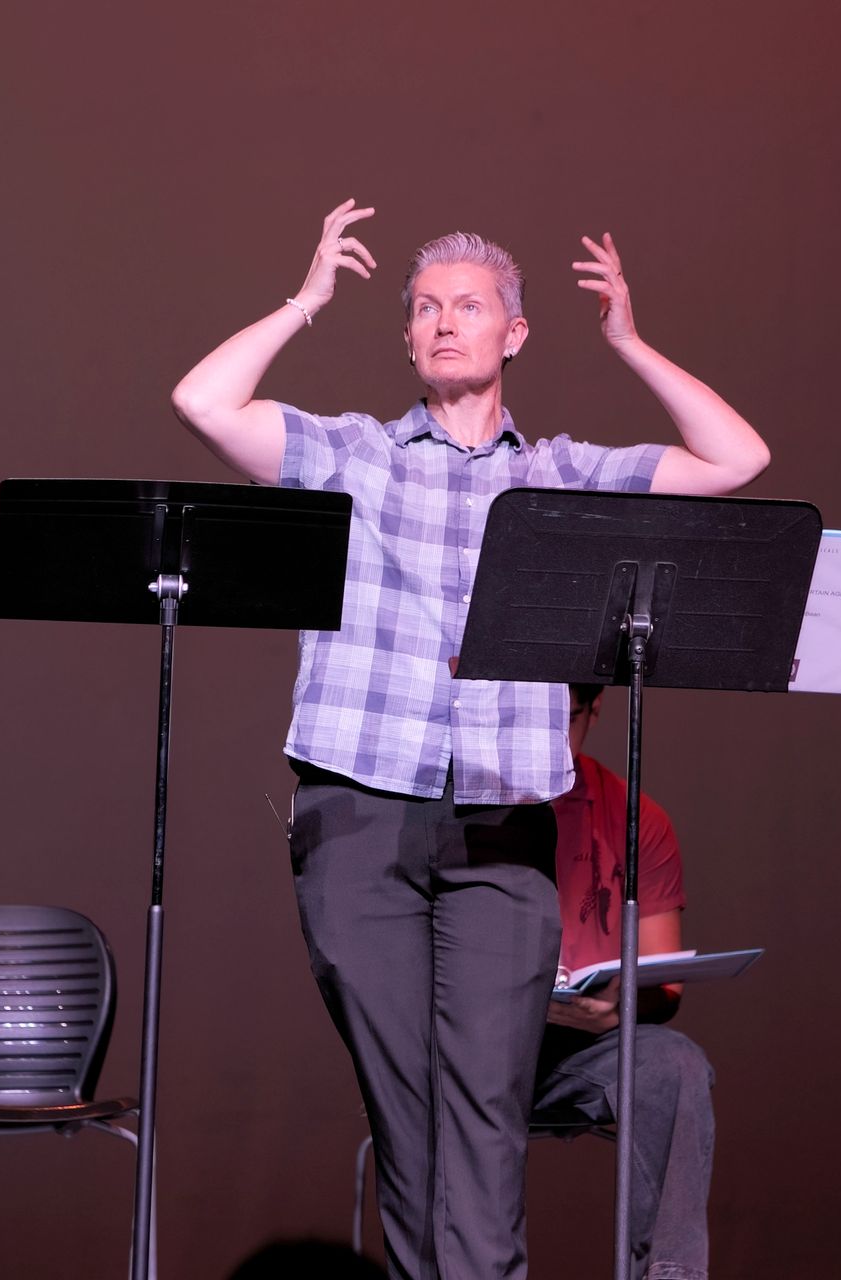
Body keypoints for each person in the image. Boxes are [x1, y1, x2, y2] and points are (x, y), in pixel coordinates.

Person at [171, 200, 768, 1279]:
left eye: (472, 305)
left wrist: (630, 342)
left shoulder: (566, 473)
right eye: (427, 309)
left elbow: (737, 457)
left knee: (488, 1114)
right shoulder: (351, 453)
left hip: (502, 824)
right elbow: (202, 400)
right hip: (359, 811)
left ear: (515, 333)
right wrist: (305, 302)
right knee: (409, 1114)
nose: (447, 323)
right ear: (406, 337)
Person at [537, 683, 714, 1280]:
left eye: (564, 720)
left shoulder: (634, 815)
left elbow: (666, 984)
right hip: (479, 1048)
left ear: (594, 710)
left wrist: (617, 1007)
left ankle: (669, 1272)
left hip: (585, 1051)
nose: (546, 740)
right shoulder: (469, 801)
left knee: (675, 1064)